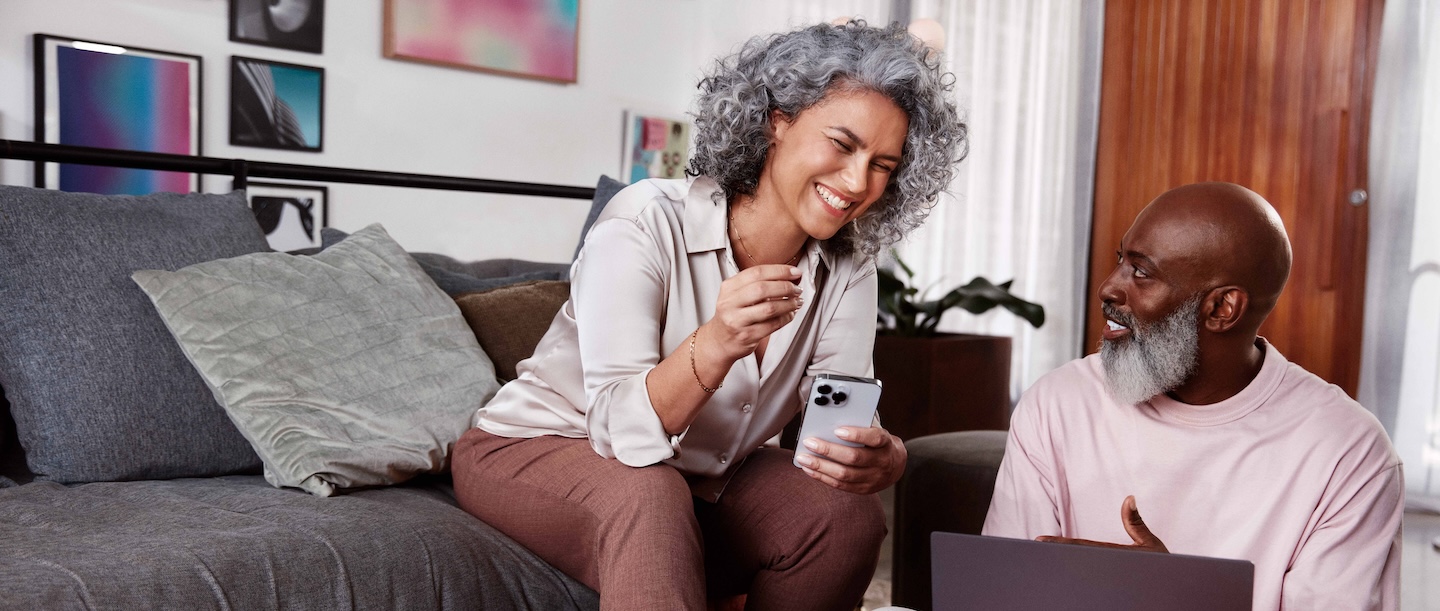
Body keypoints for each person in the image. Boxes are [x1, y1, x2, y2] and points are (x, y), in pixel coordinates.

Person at [451, 20, 967, 611]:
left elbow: (833, 421)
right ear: (779, 120)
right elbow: (622, 433)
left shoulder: (849, 265)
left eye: (882, 164)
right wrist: (718, 341)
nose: (857, 182)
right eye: (843, 144)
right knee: (648, 494)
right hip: (538, 445)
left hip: (702, 475)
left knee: (843, 516)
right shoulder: (643, 220)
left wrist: (882, 456)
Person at [982, 182, 1403, 610]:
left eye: (1142, 273)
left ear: (1222, 309)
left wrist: (1178, 598)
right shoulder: (1058, 404)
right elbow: (1002, 597)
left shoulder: (1350, 453)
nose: (1108, 288)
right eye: (1120, 260)